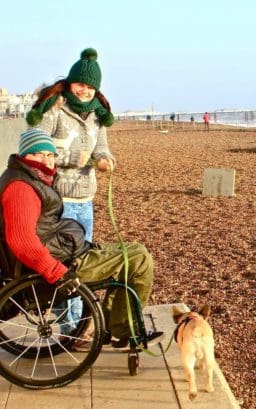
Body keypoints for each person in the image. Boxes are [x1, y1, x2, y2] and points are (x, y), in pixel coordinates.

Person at [0, 129, 164, 350]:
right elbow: (21, 240)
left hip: (61, 253)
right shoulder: (21, 188)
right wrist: (56, 272)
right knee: (139, 258)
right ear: (24, 155)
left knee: (131, 252)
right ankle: (123, 330)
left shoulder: (27, 179)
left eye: (50, 155)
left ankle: (113, 327)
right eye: (38, 154)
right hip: (56, 265)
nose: (46, 160)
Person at [26, 48, 116, 335]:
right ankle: (69, 328)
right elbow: (35, 145)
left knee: (83, 262)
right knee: (65, 265)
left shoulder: (98, 116)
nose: (85, 91)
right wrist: (66, 160)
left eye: (91, 87)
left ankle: (77, 326)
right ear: (71, 81)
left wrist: (104, 160)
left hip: (85, 199)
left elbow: (102, 147)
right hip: (56, 199)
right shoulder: (55, 109)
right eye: (81, 84)